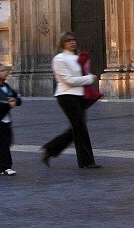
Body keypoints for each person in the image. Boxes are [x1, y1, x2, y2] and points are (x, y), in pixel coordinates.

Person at [40, 32, 101, 169]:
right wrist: (90, 79)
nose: (72, 42)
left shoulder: (77, 58)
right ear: (62, 43)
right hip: (66, 95)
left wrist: (87, 75)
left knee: (77, 127)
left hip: (79, 95)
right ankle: (86, 162)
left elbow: (81, 74)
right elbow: (68, 80)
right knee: (80, 127)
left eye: (73, 40)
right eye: (68, 41)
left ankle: (50, 149)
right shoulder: (59, 59)